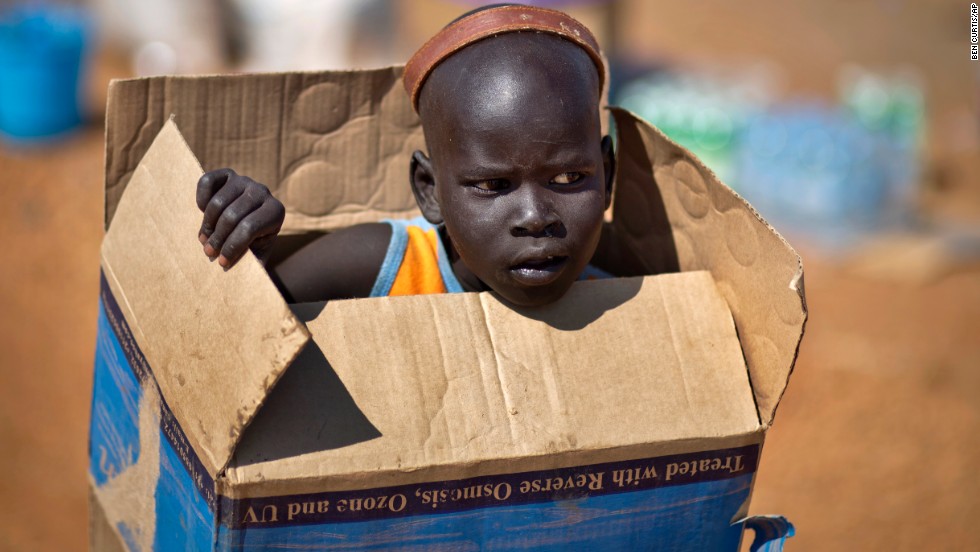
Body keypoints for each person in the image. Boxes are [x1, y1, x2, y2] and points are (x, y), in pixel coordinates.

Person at [195, 4, 614, 307]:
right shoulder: (383, 267)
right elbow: (241, 326)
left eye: (567, 179)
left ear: (607, 175)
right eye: (492, 185)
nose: (534, 217)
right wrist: (250, 256)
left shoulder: (617, 298)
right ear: (429, 191)